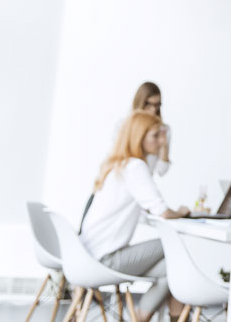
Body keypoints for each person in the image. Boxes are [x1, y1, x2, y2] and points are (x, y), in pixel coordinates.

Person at [79, 110, 190, 322]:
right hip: (105, 259)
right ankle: (142, 318)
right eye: (155, 136)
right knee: (176, 244)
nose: (160, 142)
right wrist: (183, 212)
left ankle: (141, 317)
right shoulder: (135, 167)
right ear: (139, 137)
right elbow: (164, 212)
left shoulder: (118, 165)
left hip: (88, 256)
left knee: (172, 267)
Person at [132, 81, 171, 176]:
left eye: (157, 105)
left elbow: (161, 171)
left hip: (145, 183)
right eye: (149, 104)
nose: (153, 109)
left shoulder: (163, 130)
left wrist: (164, 145)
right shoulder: (124, 126)